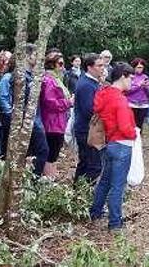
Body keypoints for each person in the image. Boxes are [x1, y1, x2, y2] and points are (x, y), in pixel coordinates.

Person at [90, 62, 137, 232]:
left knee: (105, 181)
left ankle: (95, 212)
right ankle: (115, 222)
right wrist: (134, 134)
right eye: (130, 78)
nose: (132, 82)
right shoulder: (120, 99)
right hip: (122, 145)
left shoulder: (104, 94)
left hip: (109, 143)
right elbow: (125, 127)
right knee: (118, 185)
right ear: (123, 76)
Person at [40, 51, 73, 180]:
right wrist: (68, 102)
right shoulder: (49, 80)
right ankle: (47, 179)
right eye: (60, 64)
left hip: (58, 121)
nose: (63, 67)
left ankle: (51, 176)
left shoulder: (56, 79)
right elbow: (50, 102)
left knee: (55, 151)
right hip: (51, 122)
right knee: (52, 152)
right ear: (52, 65)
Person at [73, 53, 104, 183]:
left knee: (86, 163)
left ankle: (79, 193)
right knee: (92, 165)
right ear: (90, 67)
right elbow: (89, 110)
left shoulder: (92, 82)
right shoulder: (86, 85)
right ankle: (84, 194)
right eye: (99, 65)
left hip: (88, 129)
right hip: (87, 131)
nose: (103, 68)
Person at [24, 44, 50, 177]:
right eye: (35, 55)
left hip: (37, 119)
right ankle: (34, 179)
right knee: (42, 150)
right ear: (27, 57)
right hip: (30, 120)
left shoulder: (32, 76)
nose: (38, 59)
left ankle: (30, 179)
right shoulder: (22, 77)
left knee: (35, 151)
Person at [0, 56, 15, 160]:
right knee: (5, 140)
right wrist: (9, 112)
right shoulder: (7, 77)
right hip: (7, 114)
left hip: (13, 113)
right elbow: (2, 97)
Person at [127, 58, 149, 132]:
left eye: (142, 68)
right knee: (131, 124)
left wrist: (147, 87)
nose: (140, 69)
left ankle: (138, 141)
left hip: (143, 104)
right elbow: (127, 90)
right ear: (134, 67)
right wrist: (139, 85)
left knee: (139, 125)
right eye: (138, 67)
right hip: (131, 104)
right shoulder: (130, 77)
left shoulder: (145, 77)